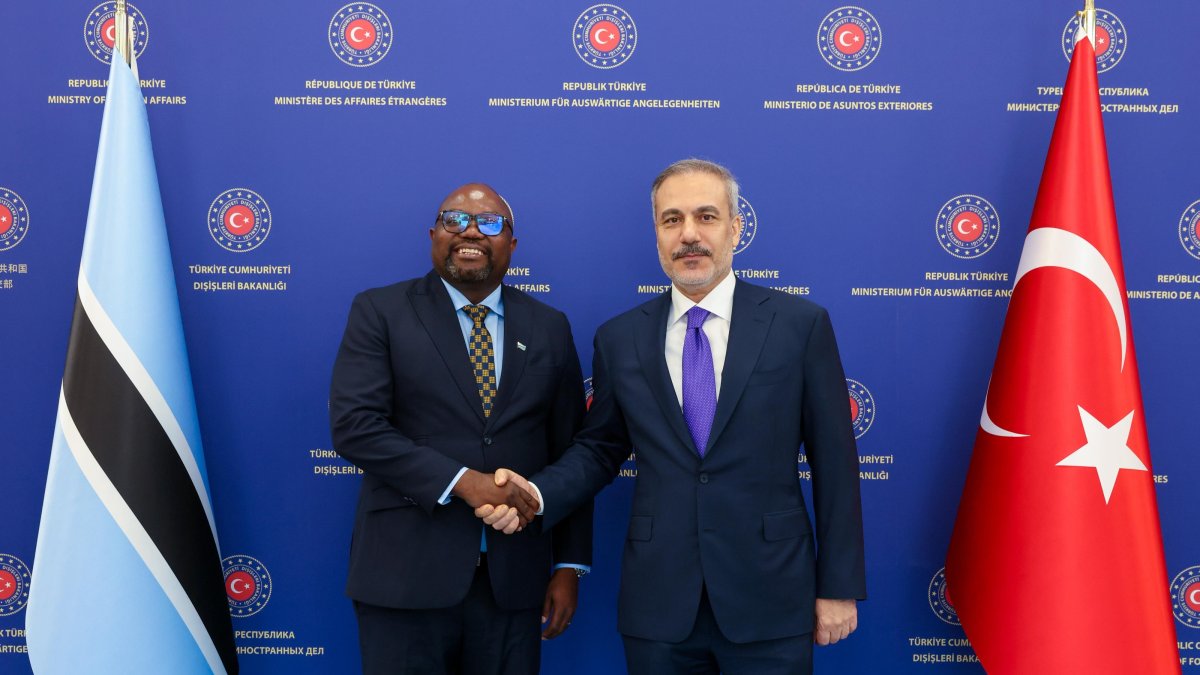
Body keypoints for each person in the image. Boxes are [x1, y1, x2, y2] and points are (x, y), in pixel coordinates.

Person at [479, 159, 866, 674]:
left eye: (706, 217)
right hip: (659, 605)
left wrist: (838, 587)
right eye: (672, 219)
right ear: (657, 234)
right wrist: (536, 494)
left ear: (735, 228)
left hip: (771, 597)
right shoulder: (620, 339)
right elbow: (600, 449)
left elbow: (835, 463)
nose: (689, 235)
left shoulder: (800, 325)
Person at [329, 182, 592, 674]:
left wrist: (569, 565)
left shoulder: (549, 326)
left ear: (512, 245)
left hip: (513, 585)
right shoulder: (380, 312)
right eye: (455, 219)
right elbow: (355, 426)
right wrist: (464, 482)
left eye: (490, 223)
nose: (470, 231)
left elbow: (573, 450)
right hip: (404, 580)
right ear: (433, 234)